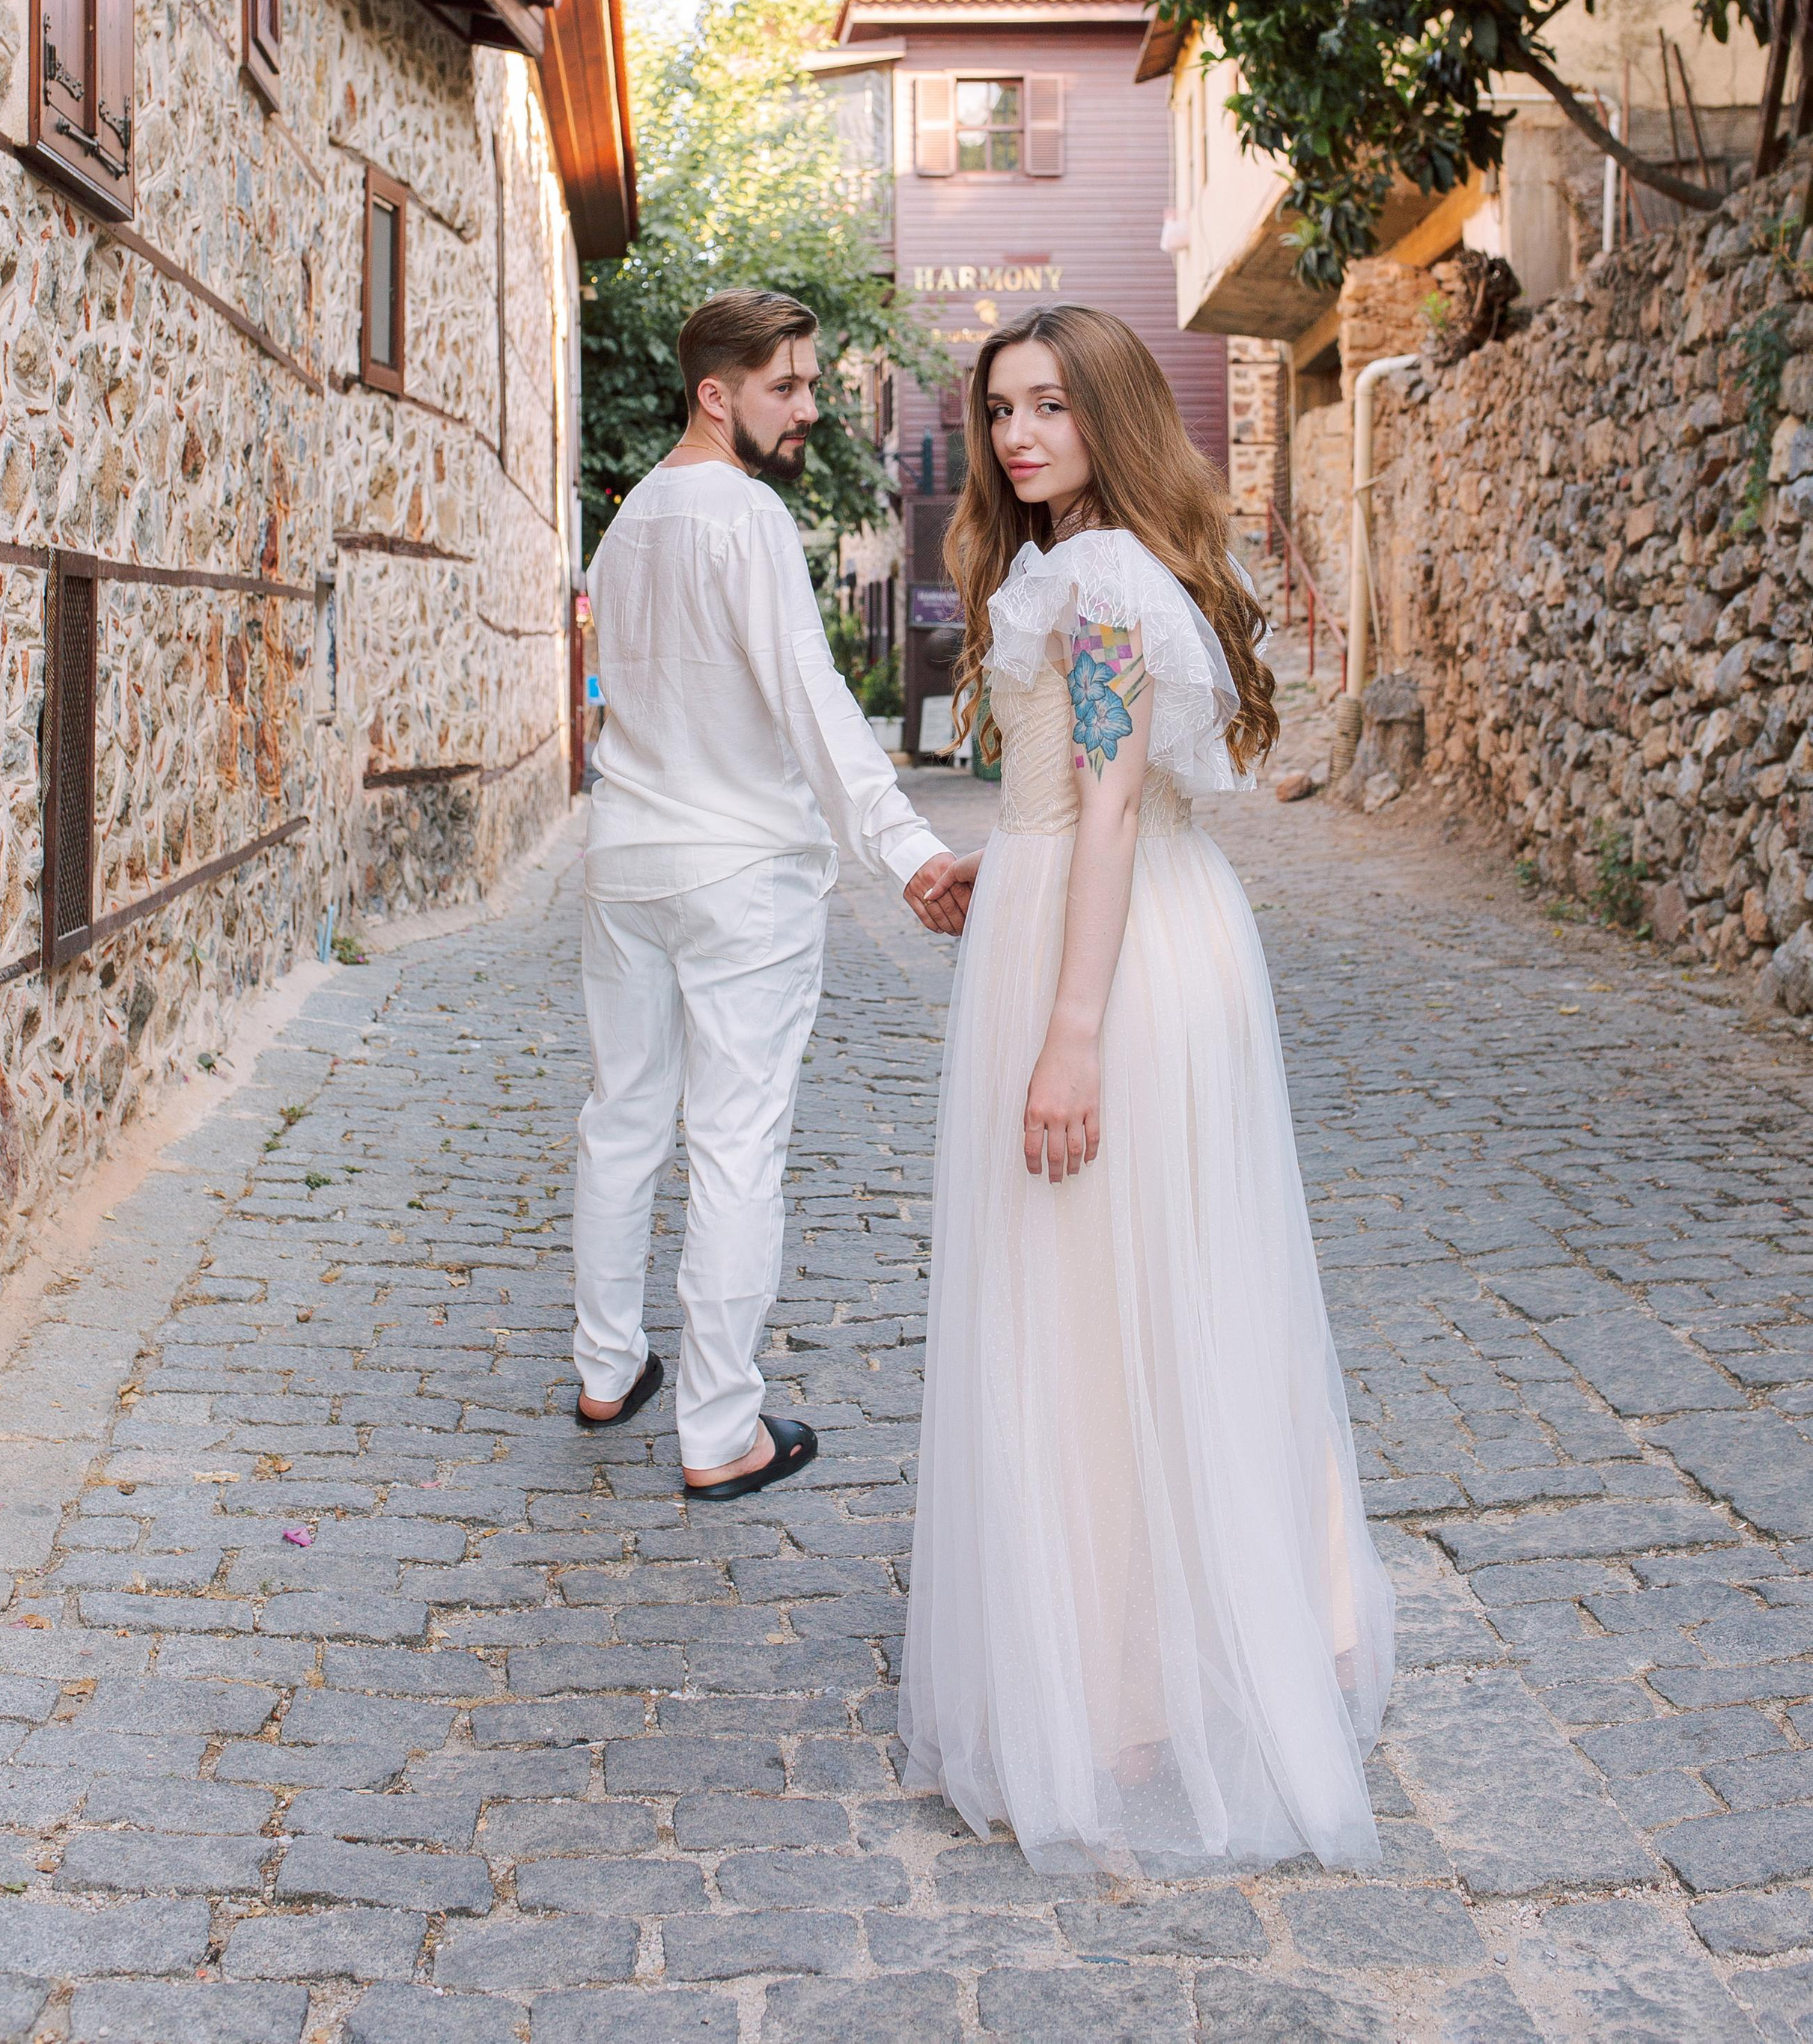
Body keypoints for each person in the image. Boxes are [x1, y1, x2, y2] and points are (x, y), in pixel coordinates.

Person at [900, 305, 1394, 1876]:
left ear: (1109, 416)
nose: (1020, 435)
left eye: (1051, 405)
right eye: (999, 411)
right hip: (1102, 913)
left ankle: (1132, 1684)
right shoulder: (1076, 570)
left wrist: (1070, 1034)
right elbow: (1084, 792)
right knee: (1144, 1286)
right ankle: (1234, 1624)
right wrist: (1004, 852)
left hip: (1114, 960)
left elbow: (1113, 811)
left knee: (1100, 1295)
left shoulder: (1103, 579)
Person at [573, 289, 965, 1503]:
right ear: (717, 394)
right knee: (737, 1141)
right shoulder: (742, 517)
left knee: (624, 1114)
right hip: (739, 872)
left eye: (807, 385)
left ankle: (604, 1370)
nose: (807, 409)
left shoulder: (628, 521)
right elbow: (813, 700)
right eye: (787, 387)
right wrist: (906, 852)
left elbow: (607, 693)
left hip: (627, 861)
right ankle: (719, 1432)